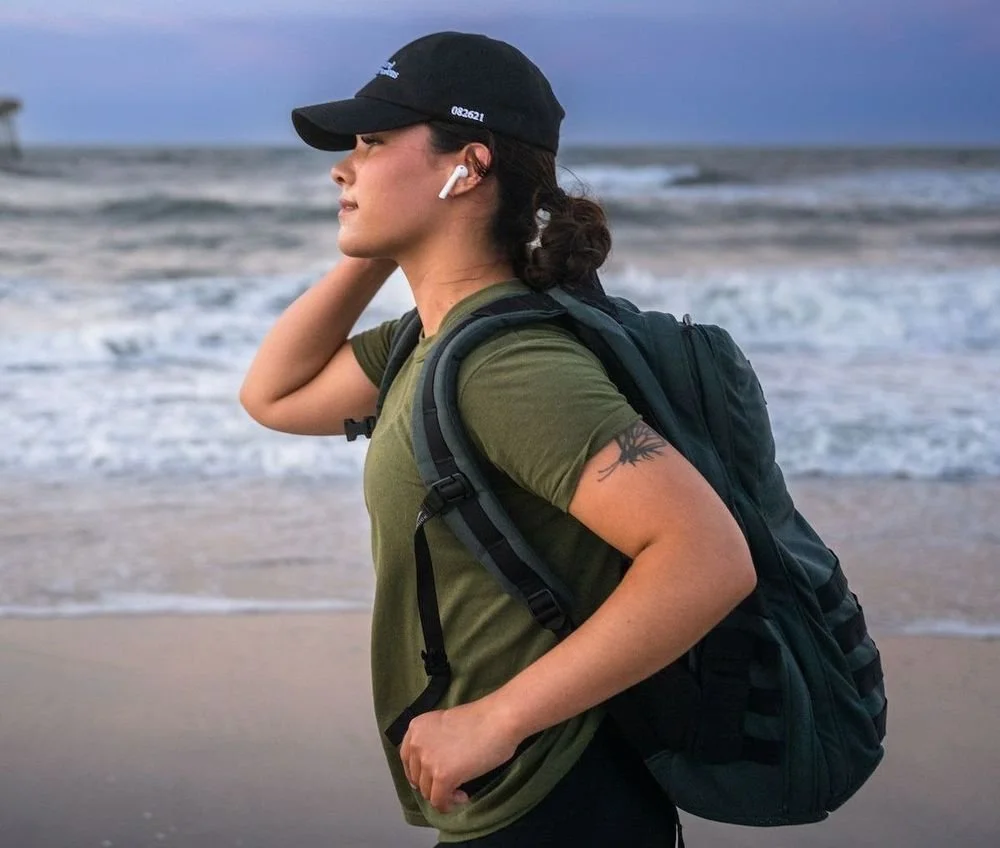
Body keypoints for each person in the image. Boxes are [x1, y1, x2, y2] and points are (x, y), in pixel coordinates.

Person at [240, 31, 756, 847]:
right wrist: (381, 240)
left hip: (560, 803)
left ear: (467, 166)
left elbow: (708, 558)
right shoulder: (429, 341)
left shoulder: (508, 368)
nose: (343, 165)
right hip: (518, 797)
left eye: (374, 143)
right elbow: (273, 395)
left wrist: (497, 719)